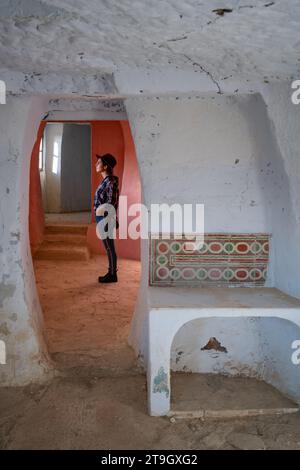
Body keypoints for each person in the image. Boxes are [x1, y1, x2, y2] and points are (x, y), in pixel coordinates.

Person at [94, 153, 119, 283]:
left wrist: (99, 210)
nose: (95, 165)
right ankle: (111, 272)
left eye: (98, 163)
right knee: (109, 247)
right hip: (102, 219)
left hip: (106, 219)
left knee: (109, 247)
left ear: (105, 166)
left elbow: (111, 203)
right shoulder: (106, 181)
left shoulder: (111, 182)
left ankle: (112, 274)